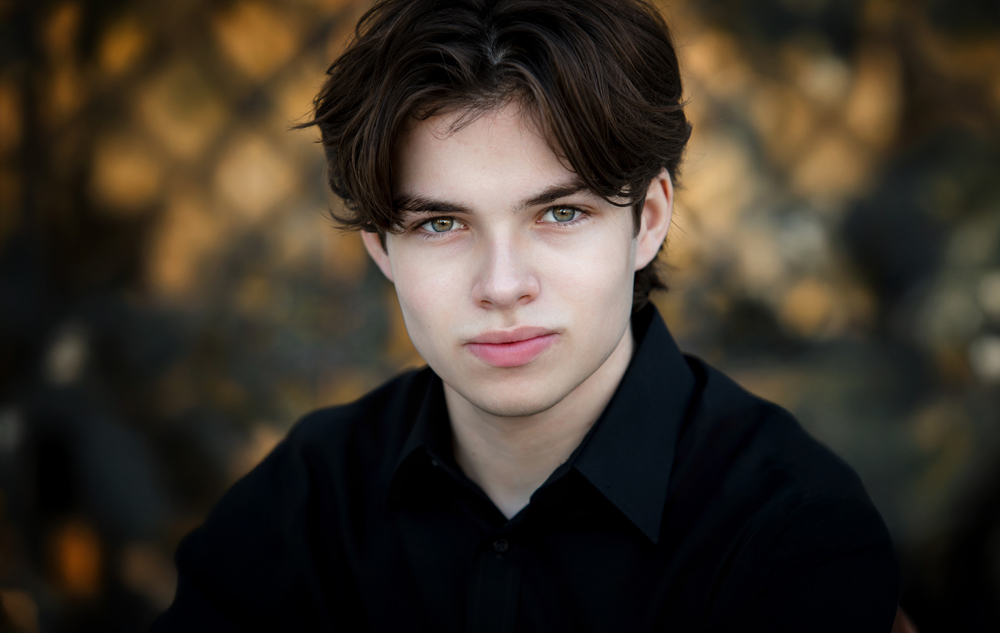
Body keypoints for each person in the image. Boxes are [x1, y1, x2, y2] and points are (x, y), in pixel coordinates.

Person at [152, 0, 902, 631]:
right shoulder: (309, 502)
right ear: (381, 247)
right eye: (441, 224)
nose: (503, 285)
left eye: (560, 213)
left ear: (647, 220)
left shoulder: (789, 533)